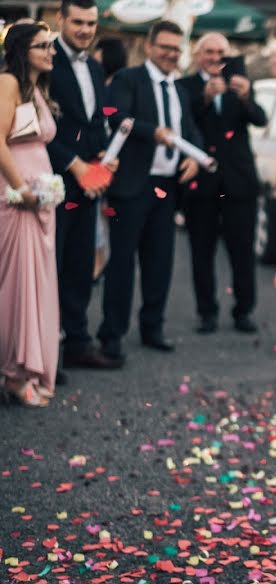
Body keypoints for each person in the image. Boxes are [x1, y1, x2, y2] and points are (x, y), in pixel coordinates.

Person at [96, 20, 201, 361]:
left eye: (176, 48)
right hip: (132, 185)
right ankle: (111, 335)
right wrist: (152, 131)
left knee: (160, 262)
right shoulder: (130, 79)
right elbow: (116, 116)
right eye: (165, 47)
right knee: (122, 264)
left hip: (167, 187)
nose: (171, 53)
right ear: (149, 47)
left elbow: (190, 132)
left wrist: (195, 159)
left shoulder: (180, 89)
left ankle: (152, 327)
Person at [46, 0, 122, 372]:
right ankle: (45, 353)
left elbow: (95, 123)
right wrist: (75, 166)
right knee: (50, 269)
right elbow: (39, 127)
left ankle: (77, 343)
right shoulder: (43, 60)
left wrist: (104, 157)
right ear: (60, 19)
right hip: (52, 182)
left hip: (89, 185)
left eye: (91, 23)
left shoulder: (93, 66)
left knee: (79, 268)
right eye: (77, 22)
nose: (85, 30)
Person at [179, 33, 267, 335]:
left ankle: (244, 311)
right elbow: (182, 123)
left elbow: (260, 119)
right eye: (209, 52)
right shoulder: (186, 86)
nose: (216, 57)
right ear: (198, 54)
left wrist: (245, 96)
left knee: (241, 251)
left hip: (239, 182)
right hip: (201, 183)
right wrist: (204, 98)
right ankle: (207, 312)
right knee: (201, 252)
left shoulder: (238, 82)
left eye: (221, 52)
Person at [0, 23, 61, 406]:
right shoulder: (7, 82)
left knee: (34, 287)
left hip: (38, 202)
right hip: (15, 197)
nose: (52, 51)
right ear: (22, 50)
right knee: (15, 287)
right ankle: (13, 373)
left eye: (51, 45)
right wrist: (22, 188)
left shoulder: (35, 88)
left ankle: (26, 370)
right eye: (43, 46)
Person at [90, 36, 127, 281]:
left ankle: (98, 264)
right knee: (100, 215)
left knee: (98, 214)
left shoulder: (110, 86)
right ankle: (98, 263)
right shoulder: (111, 84)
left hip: (106, 157)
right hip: (106, 158)